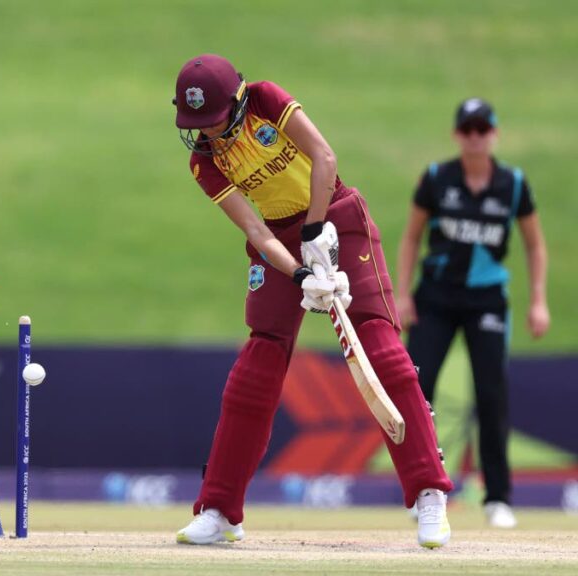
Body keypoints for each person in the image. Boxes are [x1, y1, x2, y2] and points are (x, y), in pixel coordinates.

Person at [171, 54, 453, 549]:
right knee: (257, 366)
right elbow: (256, 229)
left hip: (336, 214)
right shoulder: (204, 161)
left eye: (212, 124)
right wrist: (302, 272)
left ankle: (428, 492)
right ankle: (219, 509)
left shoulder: (265, 99)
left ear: (236, 104)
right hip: (279, 243)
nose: (206, 136)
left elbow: (324, 157)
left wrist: (318, 230)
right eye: (196, 126)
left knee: (382, 350)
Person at [395, 98, 550, 529]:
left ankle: (497, 498)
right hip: (436, 298)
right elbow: (411, 238)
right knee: (416, 389)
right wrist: (403, 294)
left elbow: (534, 245)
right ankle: (419, 491)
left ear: (494, 134)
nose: (476, 137)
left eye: (483, 129)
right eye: (468, 129)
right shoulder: (436, 178)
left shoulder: (513, 184)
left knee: (491, 394)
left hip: (486, 300)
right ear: (456, 135)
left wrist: (538, 300)